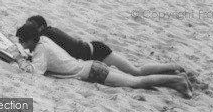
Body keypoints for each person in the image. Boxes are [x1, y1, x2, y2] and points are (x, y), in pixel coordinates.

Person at [14, 23, 192, 98]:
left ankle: (177, 80)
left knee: (136, 81)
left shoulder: (41, 48)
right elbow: (44, 59)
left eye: (22, 41)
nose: (21, 44)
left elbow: (35, 71)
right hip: (92, 65)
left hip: (93, 70)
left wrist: (19, 60)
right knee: (135, 76)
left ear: (30, 40)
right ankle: (177, 79)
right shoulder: (44, 40)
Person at [27, 15, 184, 76]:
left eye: (32, 26)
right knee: (135, 72)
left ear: (40, 27)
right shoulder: (49, 32)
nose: (30, 29)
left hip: (97, 52)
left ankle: (173, 66)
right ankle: (172, 71)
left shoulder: (45, 36)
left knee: (136, 71)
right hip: (92, 50)